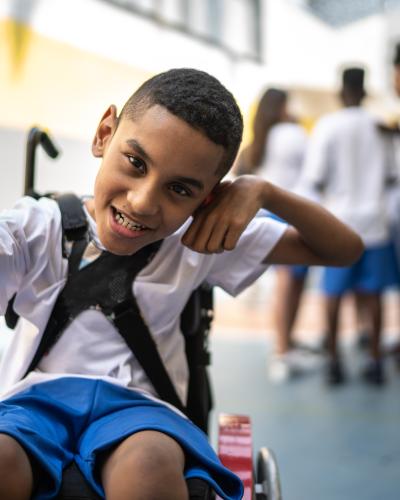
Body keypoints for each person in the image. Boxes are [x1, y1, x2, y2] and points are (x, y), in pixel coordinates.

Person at [0, 68, 363, 500]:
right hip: (34, 402)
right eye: (136, 163)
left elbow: (343, 250)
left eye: (179, 189)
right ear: (103, 134)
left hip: (140, 412)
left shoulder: (199, 240)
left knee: (149, 464)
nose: (143, 201)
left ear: (208, 200)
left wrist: (264, 193)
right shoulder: (35, 229)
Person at [299, 66, 399, 386]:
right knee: (374, 295)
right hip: (375, 223)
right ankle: (374, 360)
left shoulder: (328, 126)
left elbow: (315, 177)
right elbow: (392, 174)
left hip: (339, 223)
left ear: (340, 92)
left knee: (333, 294)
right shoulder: (379, 126)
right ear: (365, 92)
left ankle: (333, 360)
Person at [236, 88, 316, 381]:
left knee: (287, 284)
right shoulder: (293, 134)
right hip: (292, 213)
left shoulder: (258, 140)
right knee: (290, 284)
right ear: (281, 107)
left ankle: (285, 345)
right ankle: (282, 349)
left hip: (265, 214)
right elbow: (313, 170)